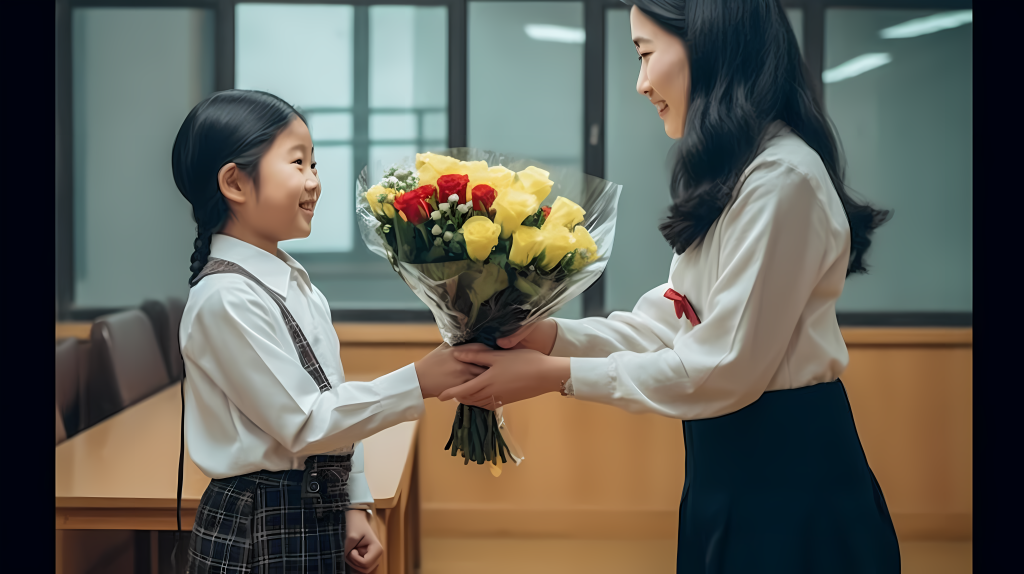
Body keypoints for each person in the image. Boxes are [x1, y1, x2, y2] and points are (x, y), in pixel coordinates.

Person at [441, 0, 900, 572]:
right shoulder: (741, 172)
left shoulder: (782, 178)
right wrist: (548, 336)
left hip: (787, 474)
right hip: (729, 463)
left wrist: (556, 376)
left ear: (707, 46)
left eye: (645, 53)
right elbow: (669, 324)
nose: (640, 83)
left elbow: (723, 365)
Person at [172, 89, 482, 573]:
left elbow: (331, 401)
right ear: (235, 182)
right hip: (261, 524)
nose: (314, 182)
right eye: (298, 163)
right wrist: (420, 380)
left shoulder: (295, 282)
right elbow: (306, 423)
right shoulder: (226, 298)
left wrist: (353, 502)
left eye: (314, 165)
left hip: (312, 507)